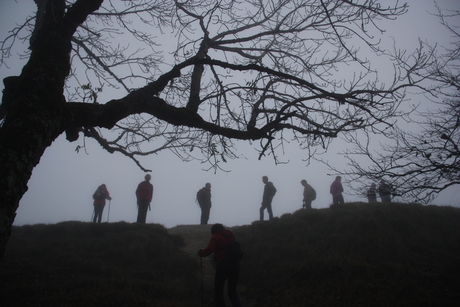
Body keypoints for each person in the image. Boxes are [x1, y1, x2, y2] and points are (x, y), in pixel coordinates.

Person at [197, 223, 242, 307]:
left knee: (218, 290)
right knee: (232, 291)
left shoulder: (216, 236)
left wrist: (201, 253)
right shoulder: (230, 234)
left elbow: (210, 249)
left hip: (223, 264)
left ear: (213, 231)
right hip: (235, 264)